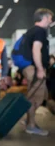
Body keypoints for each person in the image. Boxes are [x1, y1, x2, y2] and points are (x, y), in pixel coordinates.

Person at [22, 8, 53, 136]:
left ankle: (30, 121)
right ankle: (31, 125)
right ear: (44, 18)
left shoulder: (32, 31)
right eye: (50, 19)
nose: (51, 21)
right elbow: (36, 50)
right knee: (35, 98)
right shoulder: (40, 31)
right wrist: (40, 69)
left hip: (30, 68)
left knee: (35, 96)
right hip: (34, 69)